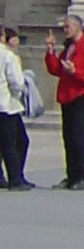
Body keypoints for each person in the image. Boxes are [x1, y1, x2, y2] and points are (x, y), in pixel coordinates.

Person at [42, 11, 84, 190]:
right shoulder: (69, 47)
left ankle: (81, 177)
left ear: (77, 27)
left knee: (78, 137)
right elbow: (55, 69)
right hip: (66, 95)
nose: (65, 30)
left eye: (67, 27)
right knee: (67, 137)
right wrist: (51, 51)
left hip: (80, 96)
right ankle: (71, 176)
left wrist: (75, 72)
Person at [0, 24, 32, 190]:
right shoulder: (7, 55)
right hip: (6, 105)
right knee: (13, 144)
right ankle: (15, 179)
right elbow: (16, 82)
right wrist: (17, 94)